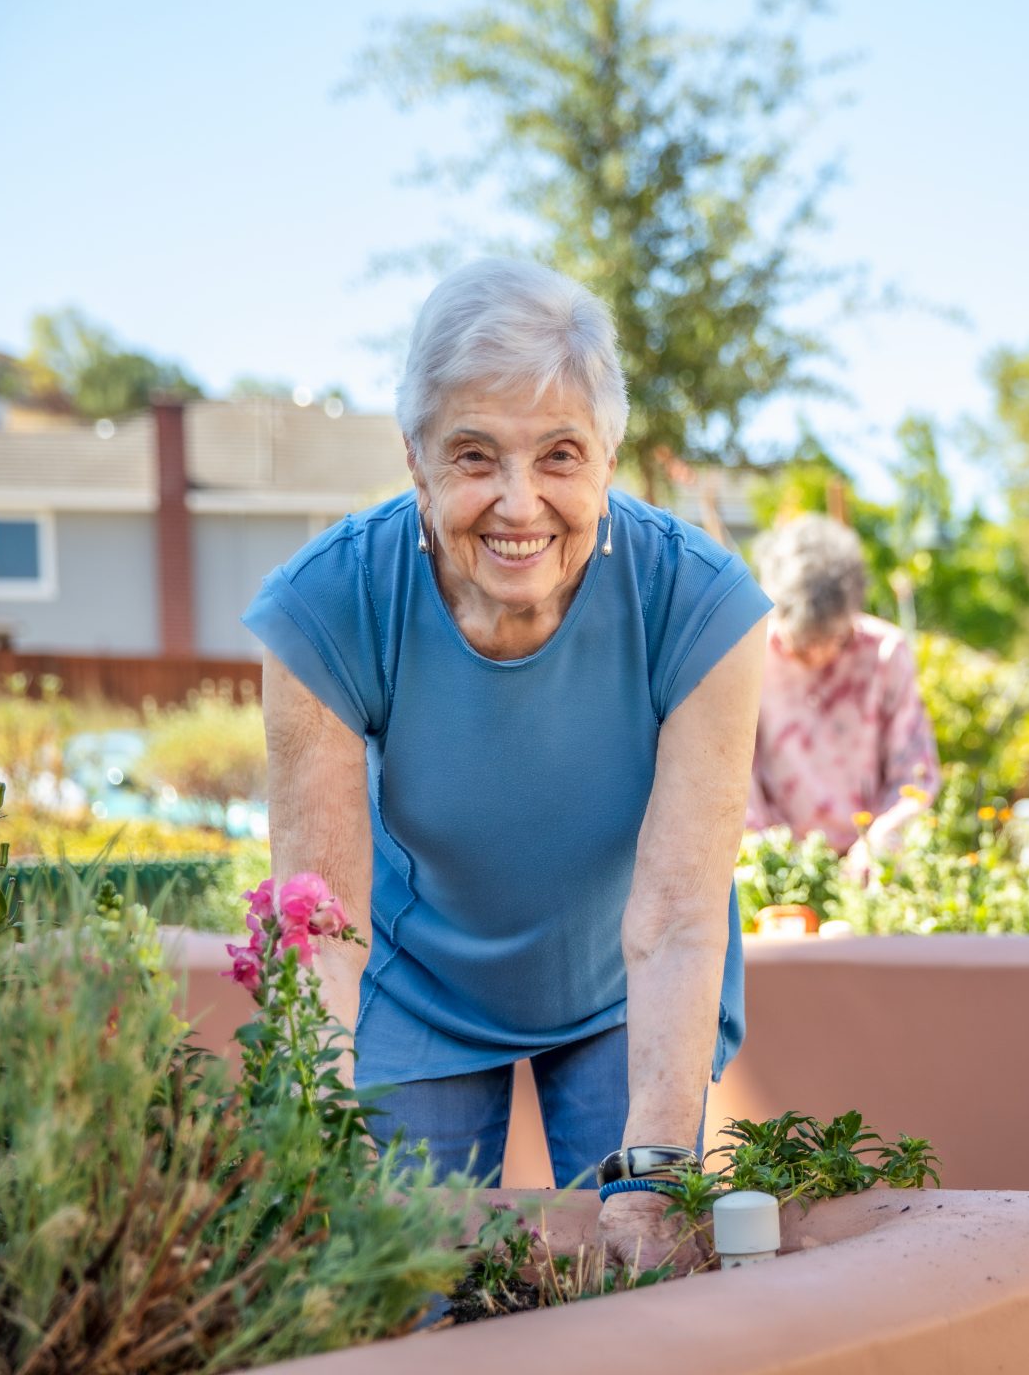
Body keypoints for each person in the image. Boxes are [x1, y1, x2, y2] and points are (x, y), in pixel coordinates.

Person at [246, 258, 771, 1264]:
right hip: (419, 982)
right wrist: (312, 1145)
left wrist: (657, 1171)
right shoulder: (327, 604)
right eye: (476, 456)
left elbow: (677, 917)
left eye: (560, 456)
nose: (520, 504)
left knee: (636, 1285)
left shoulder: (700, 605)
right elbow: (323, 924)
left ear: (609, 458)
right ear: (416, 459)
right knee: (397, 1280)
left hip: (627, 990)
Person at [745, 515, 939, 860]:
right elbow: (737, 776)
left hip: (871, 855)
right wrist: (773, 855)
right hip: (777, 858)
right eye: (803, 644)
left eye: (831, 639)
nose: (818, 653)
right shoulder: (749, 654)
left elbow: (915, 771)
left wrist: (878, 839)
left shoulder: (885, 652)